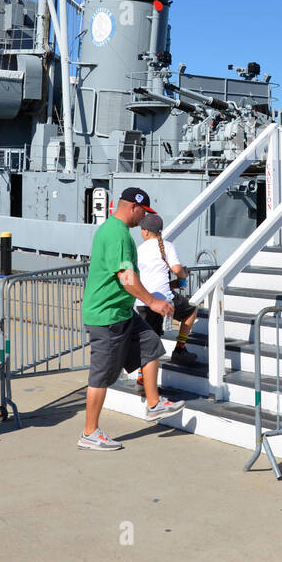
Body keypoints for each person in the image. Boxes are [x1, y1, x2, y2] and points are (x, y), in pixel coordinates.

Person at [78, 187, 184, 451]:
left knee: (151, 345)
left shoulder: (112, 230)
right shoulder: (118, 235)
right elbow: (126, 277)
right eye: (143, 213)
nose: (144, 220)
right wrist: (154, 302)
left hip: (122, 312)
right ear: (133, 208)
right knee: (101, 376)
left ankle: (153, 404)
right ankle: (89, 432)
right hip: (107, 315)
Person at [134, 213, 199, 367]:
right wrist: (184, 275)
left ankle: (142, 376)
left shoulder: (138, 249)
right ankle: (180, 349)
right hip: (163, 299)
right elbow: (177, 269)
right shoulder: (167, 246)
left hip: (144, 300)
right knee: (191, 310)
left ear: (145, 231)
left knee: (150, 341)